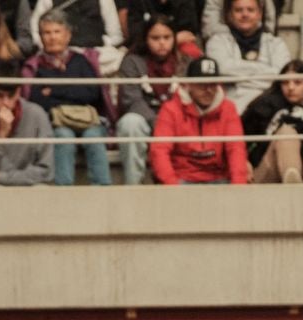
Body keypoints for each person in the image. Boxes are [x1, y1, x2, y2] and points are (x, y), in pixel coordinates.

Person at [23, 9, 110, 183]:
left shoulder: (82, 61)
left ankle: (104, 191)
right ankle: (64, 193)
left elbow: (92, 94)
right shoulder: (35, 66)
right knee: (63, 136)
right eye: (47, 33)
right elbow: (37, 100)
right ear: (40, 37)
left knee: (94, 137)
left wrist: (54, 90)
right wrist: (72, 89)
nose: (52, 37)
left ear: (68, 35)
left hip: (87, 119)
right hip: (55, 122)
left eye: (57, 32)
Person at [114, 14, 194, 184]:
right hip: (145, 120)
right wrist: (158, 123)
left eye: (167, 37)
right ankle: (133, 186)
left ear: (174, 38)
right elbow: (132, 100)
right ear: (145, 39)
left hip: (177, 122)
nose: (162, 43)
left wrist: (169, 123)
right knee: (130, 123)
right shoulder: (132, 62)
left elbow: (191, 100)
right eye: (155, 38)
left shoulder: (185, 62)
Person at [148, 51, 245, 181]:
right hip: (181, 179)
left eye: (212, 84)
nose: (208, 90)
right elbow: (159, 151)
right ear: (188, 84)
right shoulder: (171, 109)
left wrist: (239, 187)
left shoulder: (228, 108)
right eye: (202, 84)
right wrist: (172, 187)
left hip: (218, 178)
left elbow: (236, 149)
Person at [200, 0, 285, 111]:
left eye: (250, 10)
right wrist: (265, 71)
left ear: (260, 14)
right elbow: (222, 68)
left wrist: (237, 76)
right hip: (232, 109)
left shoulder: (276, 43)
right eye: (238, 10)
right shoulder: (216, 42)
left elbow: (282, 75)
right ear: (230, 15)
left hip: (269, 110)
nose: (245, 14)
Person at [20, 0, 120, 72]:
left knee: (119, 60)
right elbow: (35, 30)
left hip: (98, 53)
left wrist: (96, 46)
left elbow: (115, 35)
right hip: (58, 54)